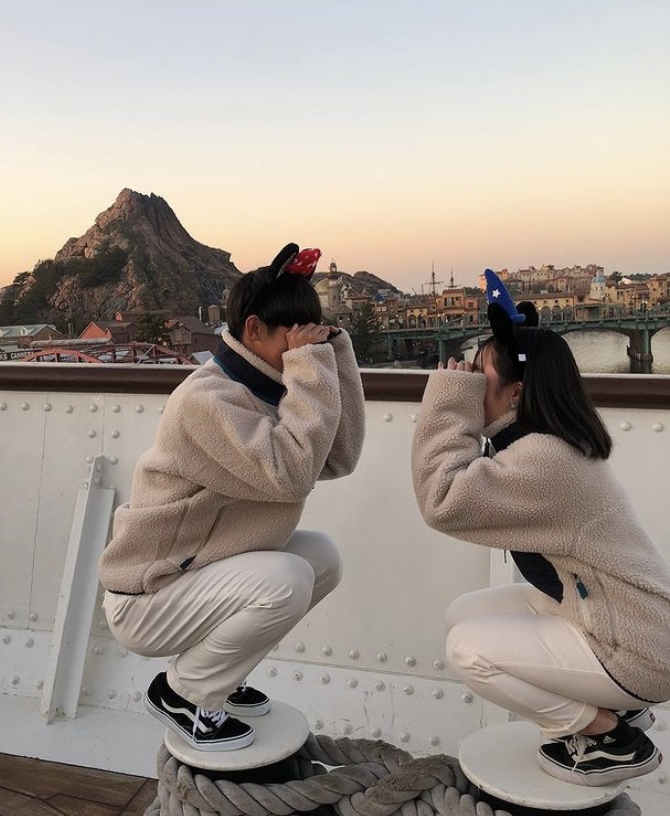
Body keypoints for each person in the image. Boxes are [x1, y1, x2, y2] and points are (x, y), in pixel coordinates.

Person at [99, 243, 365, 752]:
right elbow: (291, 475)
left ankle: (222, 674)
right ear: (254, 330)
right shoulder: (208, 399)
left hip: (198, 570)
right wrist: (310, 366)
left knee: (321, 559)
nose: (305, 347)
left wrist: (336, 356)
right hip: (150, 593)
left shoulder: (271, 387)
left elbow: (339, 457)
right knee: (287, 579)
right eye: (294, 337)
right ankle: (183, 693)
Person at [411, 269, 670, 787]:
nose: (469, 383)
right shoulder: (547, 440)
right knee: (465, 615)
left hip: (639, 650)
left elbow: (442, 500)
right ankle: (619, 709)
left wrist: (447, 398)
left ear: (516, 393)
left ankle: (608, 738)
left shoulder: (545, 459)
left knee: (468, 649)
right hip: (618, 618)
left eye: (479, 377)